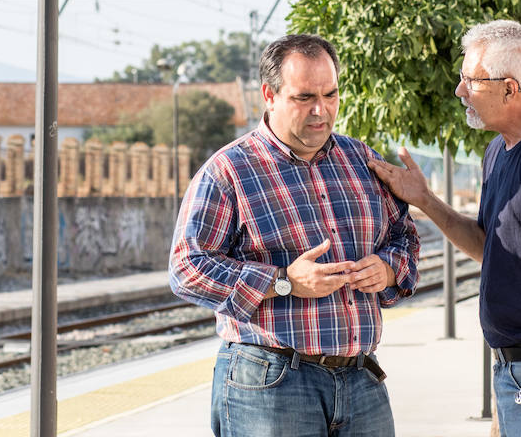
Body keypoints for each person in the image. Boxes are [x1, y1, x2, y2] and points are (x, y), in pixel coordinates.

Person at [368, 20, 521, 437]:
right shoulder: (499, 151)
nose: (460, 91)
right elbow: (490, 247)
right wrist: (424, 200)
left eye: (470, 80)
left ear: (509, 88)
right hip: (519, 369)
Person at [169, 33, 420, 437]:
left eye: (331, 94)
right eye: (304, 97)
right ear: (269, 94)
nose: (321, 110)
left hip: (361, 380)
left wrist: (388, 270)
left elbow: (404, 235)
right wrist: (283, 282)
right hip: (272, 385)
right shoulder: (228, 171)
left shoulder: (362, 160)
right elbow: (186, 268)